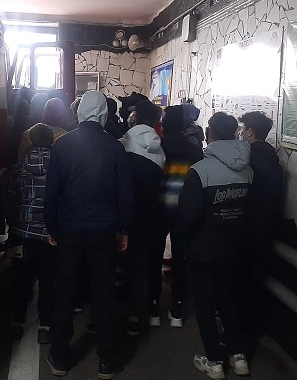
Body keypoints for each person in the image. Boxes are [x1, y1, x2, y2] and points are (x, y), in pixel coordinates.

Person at [45, 91, 133, 379]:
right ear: (104, 115)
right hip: (103, 230)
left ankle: (60, 357)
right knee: (104, 293)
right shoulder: (115, 147)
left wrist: (51, 227)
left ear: (80, 112)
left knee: (64, 291)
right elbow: (125, 194)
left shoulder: (62, 144)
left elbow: (52, 192)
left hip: (69, 228)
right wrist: (123, 229)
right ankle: (107, 360)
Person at [174, 112, 253, 380]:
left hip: (202, 248)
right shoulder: (248, 170)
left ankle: (214, 361)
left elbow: (189, 215)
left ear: (210, 134)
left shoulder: (200, 171)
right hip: (232, 246)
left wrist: (181, 237)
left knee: (205, 303)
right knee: (226, 297)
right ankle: (239, 356)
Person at [148, 105, 204, 329]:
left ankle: (153, 309)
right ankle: (177, 310)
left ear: (163, 125)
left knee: (154, 258)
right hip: (184, 209)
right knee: (181, 260)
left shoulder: (157, 146)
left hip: (159, 209)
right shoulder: (194, 148)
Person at [5, 123, 56, 344]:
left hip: (21, 234)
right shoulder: (60, 169)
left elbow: (8, 203)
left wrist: (13, 225)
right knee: (48, 281)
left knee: (21, 280)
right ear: (51, 141)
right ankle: (45, 326)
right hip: (48, 236)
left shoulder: (17, 170)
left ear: (31, 141)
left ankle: (17, 322)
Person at [118, 100, 165, 335]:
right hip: (148, 214)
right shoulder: (159, 150)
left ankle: (113, 315)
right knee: (139, 264)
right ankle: (136, 315)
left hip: (122, 215)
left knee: (116, 265)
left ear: (135, 118)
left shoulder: (122, 144)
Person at [237, 111, 283, 333]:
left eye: (242, 129)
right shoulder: (274, 160)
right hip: (266, 229)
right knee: (254, 282)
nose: (240, 133)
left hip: (245, 229)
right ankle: (249, 328)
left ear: (250, 132)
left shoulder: (248, 159)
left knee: (240, 281)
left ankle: (238, 333)